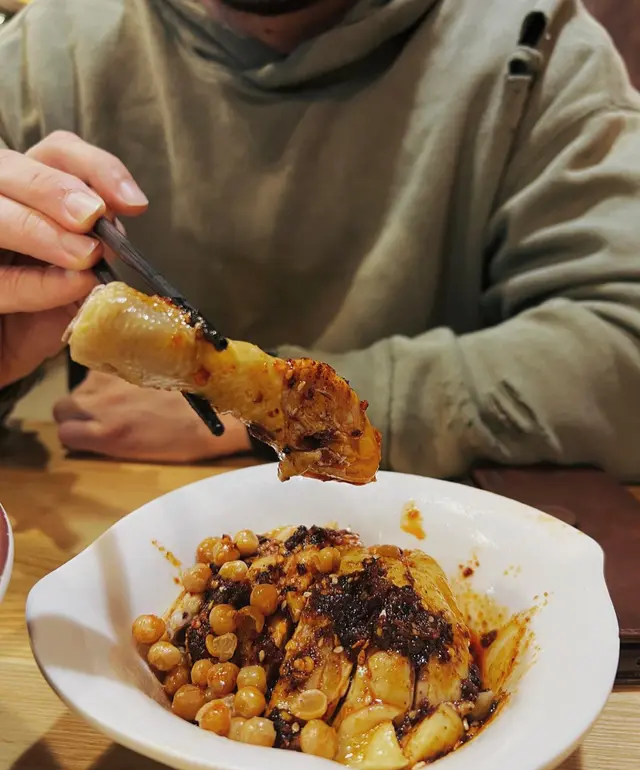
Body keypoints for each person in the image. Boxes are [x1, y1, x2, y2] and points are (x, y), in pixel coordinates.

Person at [1, 0, 640, 477]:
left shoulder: (536, 45)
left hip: (425, 529)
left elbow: (619, 348)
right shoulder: (44, 51)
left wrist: (269, 411)